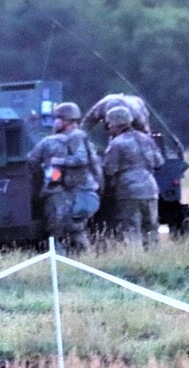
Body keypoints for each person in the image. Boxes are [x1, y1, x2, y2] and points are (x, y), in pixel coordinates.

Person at [26, 102, 102, 254]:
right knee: (77, 230)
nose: (55, 122)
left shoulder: (51, 142)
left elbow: (32, 161)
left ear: (66, 121)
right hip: (80, 192)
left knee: (56, 232)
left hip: (57, 193)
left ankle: (60, 263)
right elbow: (94, 165)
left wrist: (54, 164)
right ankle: (86, 260)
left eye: (58, 119)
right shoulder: (83, 138)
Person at [101, 106, 164, 249]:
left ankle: (135, 261)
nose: (109, 127)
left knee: (131, 228)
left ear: (116, 123)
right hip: (150, 189)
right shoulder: (147, 139)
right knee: (151, 228)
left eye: (110, 124)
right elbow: (159, 162)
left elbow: (109, 169)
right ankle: (154, 261)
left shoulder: (116, 143)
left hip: (129, 191)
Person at [81, 93, 150, 135]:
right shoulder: (102, 107)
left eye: (119, 125)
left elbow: (146, 134)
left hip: (133, 129)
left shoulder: (137, 112)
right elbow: (85, 125)